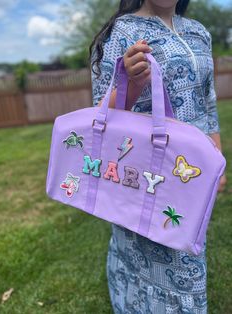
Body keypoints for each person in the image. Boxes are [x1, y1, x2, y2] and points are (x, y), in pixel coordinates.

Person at [90, 0, 227, 313]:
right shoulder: (123, 31)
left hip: (190, 172)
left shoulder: (199, 33)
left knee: (186, 246)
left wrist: (217, 159)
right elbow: (99, 117)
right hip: (143, 173)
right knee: (143, 252)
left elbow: (208, 101)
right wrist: (133, 84)